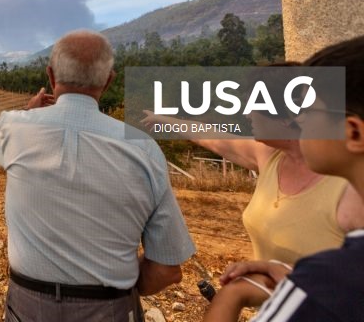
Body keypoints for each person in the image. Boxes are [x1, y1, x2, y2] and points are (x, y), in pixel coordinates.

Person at [0, 30, 195, 322]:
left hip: (27, 307)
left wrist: (27, 113)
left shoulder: (11, 128)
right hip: (109, 309)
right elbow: (166, 270)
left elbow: (3, 148)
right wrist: (116, 287)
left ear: (51, 76)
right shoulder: (144, 149)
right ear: (109, 80)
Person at [203, 34, 364, 321]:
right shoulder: (271, 158)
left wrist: (234, 294)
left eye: (309, 111)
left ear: (353, 132)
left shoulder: (329, 273)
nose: (302, 119)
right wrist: (295, 278)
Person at [140, 63, 364, 264]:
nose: (247, 114)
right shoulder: (271, 156)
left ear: (287, 115)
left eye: (253, 105)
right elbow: (209, 136)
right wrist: (162, 121)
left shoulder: (350, 190)